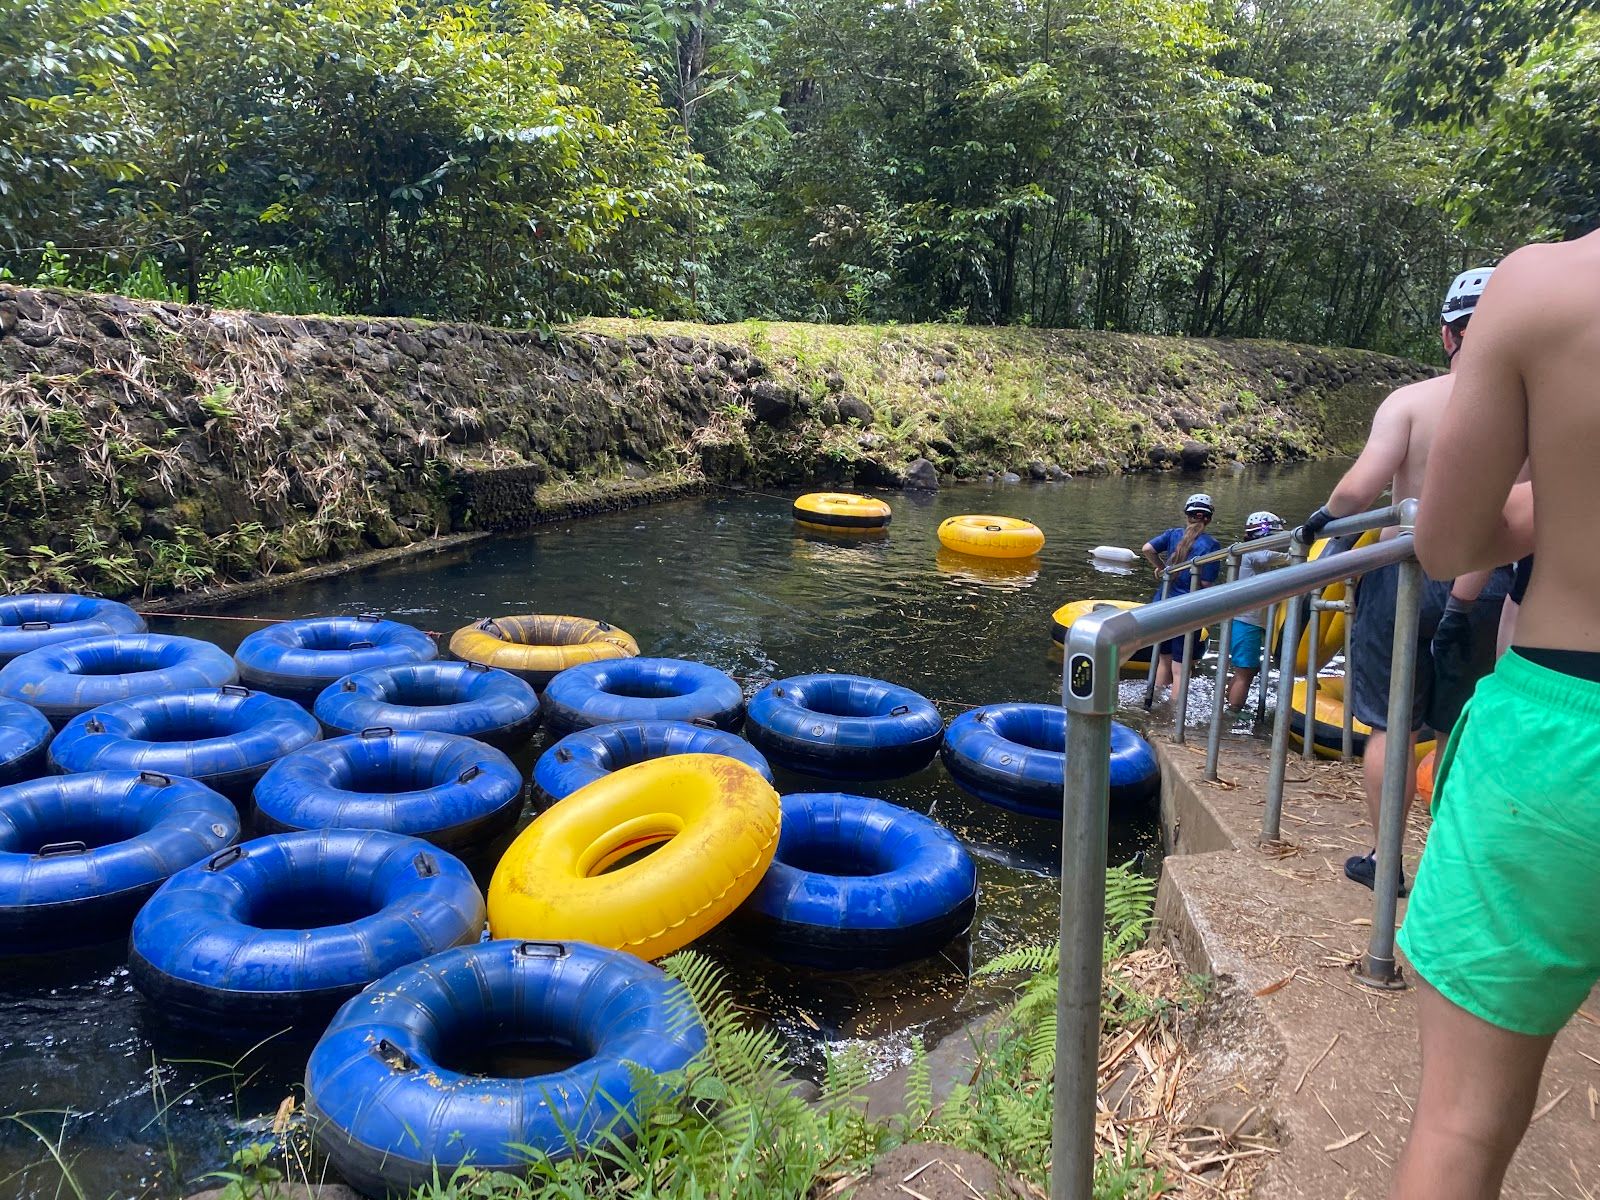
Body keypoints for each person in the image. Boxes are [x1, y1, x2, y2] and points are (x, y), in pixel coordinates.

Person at [1396, 232, 1594, 1200]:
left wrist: (1554, 499)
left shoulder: (1545, 287)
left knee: (1463, 1125)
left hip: (1563, 731)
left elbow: (1447, 542)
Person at [1296, 268, 1507, 892]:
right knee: (1457, 724)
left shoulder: (1410, 402)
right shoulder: (1528, 412)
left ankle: (1386, 861)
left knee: (1391, 725)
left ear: (1448, 335)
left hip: (1400, 573)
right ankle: (1448, 867)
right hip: (1485, 577)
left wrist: (1322, 526)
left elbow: (1357, 489)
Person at [1140, 494, 1221, 690]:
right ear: (1208, 519)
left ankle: (1155, 705)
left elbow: (1147, 548)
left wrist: (1161, 568)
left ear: (1187, 515)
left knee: (1164, 661)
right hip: (1187, 611)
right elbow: (1205, 582)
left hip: (1162, 605)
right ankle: (1173, 714)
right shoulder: (1211, 545)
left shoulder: (1172, 534)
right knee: (1180, 669)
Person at [1225, 511, 1284, 711]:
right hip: (1246, 620)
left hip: (1251, 619)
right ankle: (1233, 713)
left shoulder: (1250, 551)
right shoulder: (1252, 551)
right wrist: (1299, 555)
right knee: (1245, 670)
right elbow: (1265, 558)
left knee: (1245, 669)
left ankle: (1229, 707)